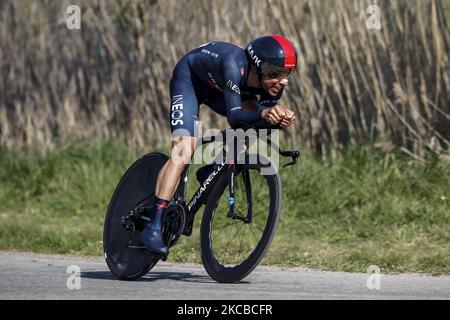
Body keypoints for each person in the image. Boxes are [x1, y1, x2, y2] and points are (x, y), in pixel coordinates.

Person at [139, 35, 298, 256]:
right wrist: (264, 113)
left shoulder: (274, 85)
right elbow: (234, 117)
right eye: (275, 74)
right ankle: (153, 225)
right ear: (257, 68)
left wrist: (277, 121)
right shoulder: (233, 65)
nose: (283, 81)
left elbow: (258, 125)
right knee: (184, 149)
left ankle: (213, 169)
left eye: (287, 74)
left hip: (219, 90)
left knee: (252, 126)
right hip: (191, 81)